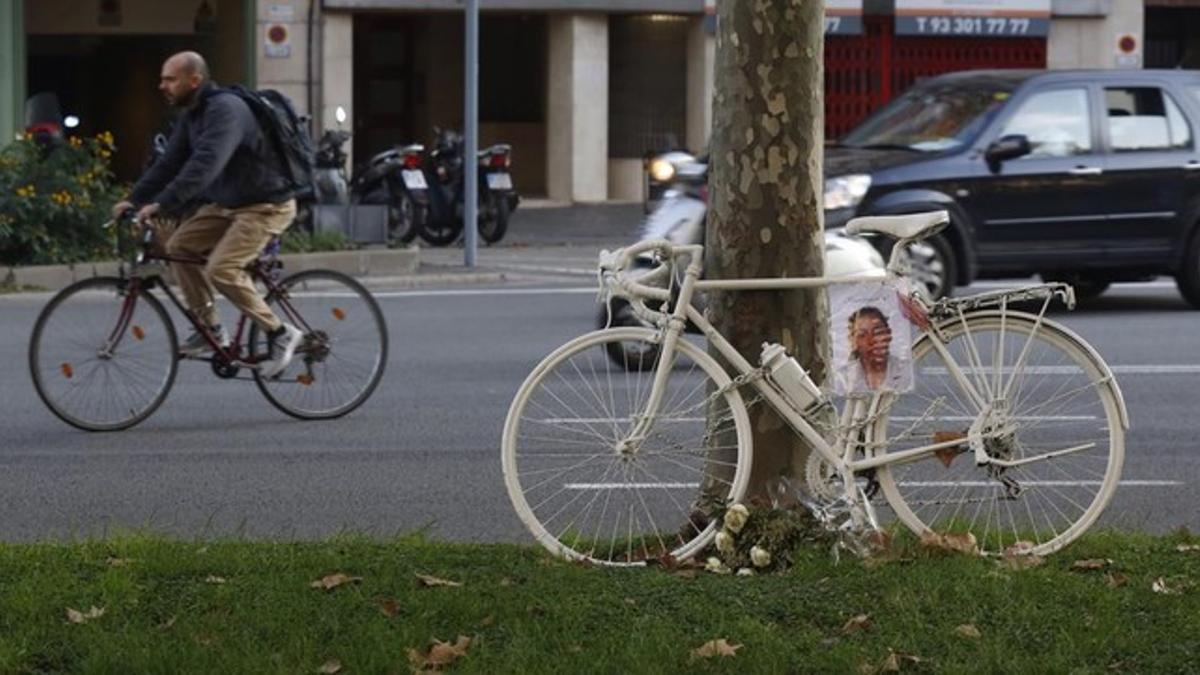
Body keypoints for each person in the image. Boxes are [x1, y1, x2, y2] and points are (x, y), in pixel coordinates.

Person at [111, 51, 301, 377]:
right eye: (162, 79)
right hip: (230, 204)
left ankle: (280, 332)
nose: (162, 86)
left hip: (266, 204)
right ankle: (210, 330)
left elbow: (204, 166)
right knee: (179, 247)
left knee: (222, 269)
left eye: (170, 79)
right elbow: (169, 163)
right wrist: (134, 199)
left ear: (194, 80)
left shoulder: (226, 111)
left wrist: (163, 204)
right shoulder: (193, 115)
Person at [845, 305, 905, 392]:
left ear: (888, 334)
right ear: (852, 340)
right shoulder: (842, 378)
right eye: (862, 335)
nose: (871, 341)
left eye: (877, 332)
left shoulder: (906, 371)